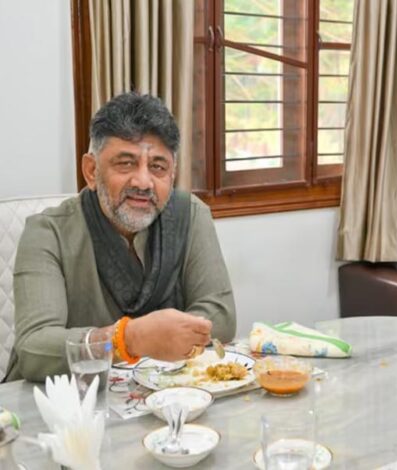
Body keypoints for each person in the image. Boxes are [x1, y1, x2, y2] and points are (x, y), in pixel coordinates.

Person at [7, 93, 236, 382]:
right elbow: (34, 349)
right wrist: (127, 339)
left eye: (158, 167)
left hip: (165, 391)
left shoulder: (190, 215)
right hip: (68, 399)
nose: (143, 182)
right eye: (126, 163)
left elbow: (221, 317)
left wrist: (159, 338)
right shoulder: (47, 232)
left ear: (172, 174)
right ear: (92, 171)